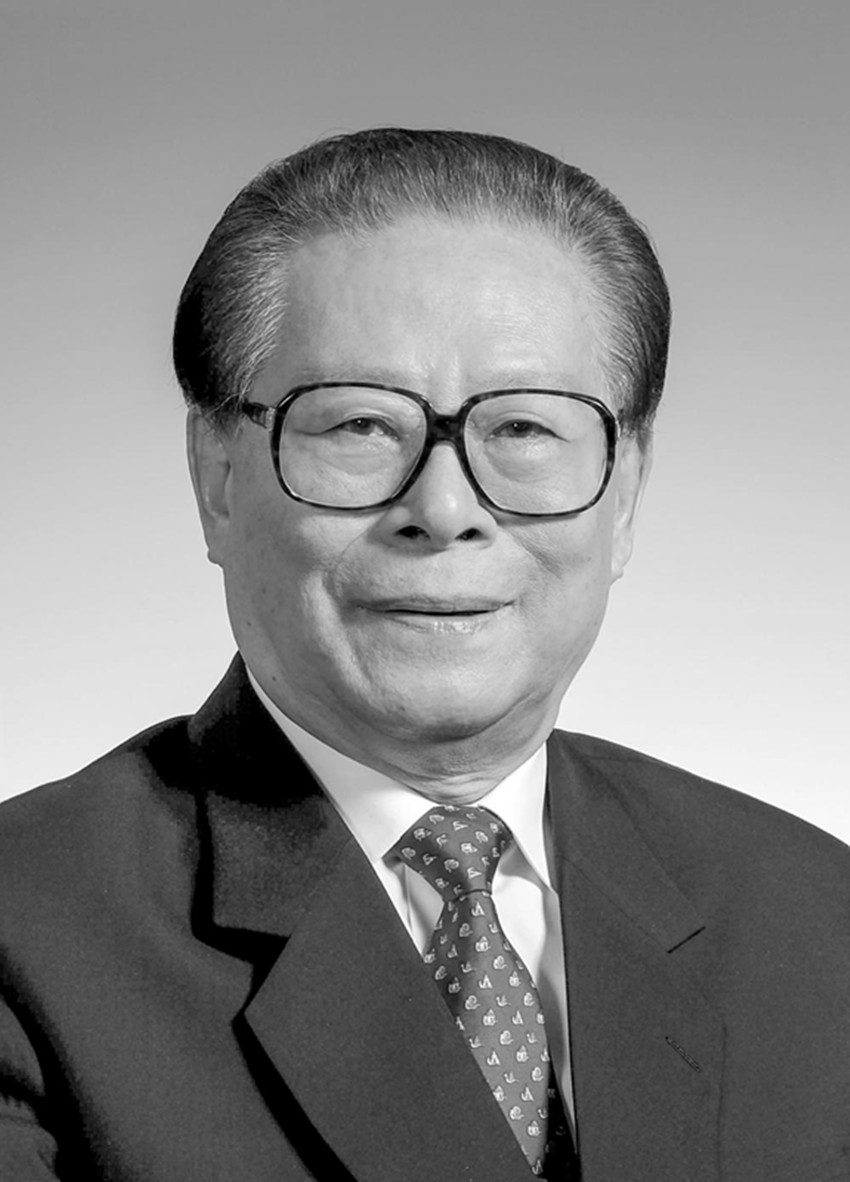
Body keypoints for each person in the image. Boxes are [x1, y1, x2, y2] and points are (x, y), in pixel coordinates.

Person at [1, 128, 848, 1182]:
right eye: (359, 425)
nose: (444, 509)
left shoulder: (815, 917)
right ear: (216, 478)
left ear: (625, 493)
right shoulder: (27, 934)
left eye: (525, 430)